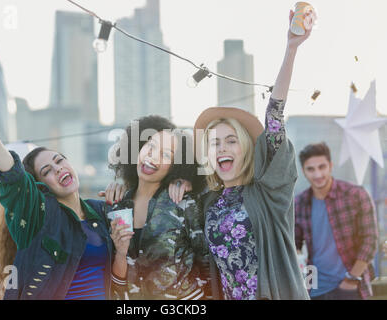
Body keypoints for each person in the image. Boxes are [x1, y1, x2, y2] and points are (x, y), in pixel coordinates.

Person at [187, 9, 314, 300]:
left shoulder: (269, 193)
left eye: (231, 141)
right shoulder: (209, 201)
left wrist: (291, 49)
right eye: (215, 143)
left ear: (247, 149)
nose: (222, 148)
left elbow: (274, 119)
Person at [0, 90, 129, 300]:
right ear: (39, 186)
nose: (57, 168)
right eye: (46, 171)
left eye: (59, 160)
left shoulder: (100, 212)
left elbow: (117, 281)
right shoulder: (40, 218)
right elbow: (14, 177)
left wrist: (120, 251)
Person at [109, 115, 209, 300]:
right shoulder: (117, 208)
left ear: (176, 166)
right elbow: (116, 283)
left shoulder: (183, 203)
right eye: (150, 146)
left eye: (166, 154)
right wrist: (120, 253)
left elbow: (207, 264)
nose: (152, 156)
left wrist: (190, 182)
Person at [295, 142, 378, 300]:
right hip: (314, 288)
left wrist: (351, 279)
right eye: (310, 169)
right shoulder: (300, 203)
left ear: (331, 166)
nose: (318, 174)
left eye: (322, 167)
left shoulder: (355, 195)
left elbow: (370, 240)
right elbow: (294, 244)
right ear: (303, 171)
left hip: (350, 287)